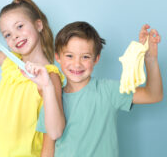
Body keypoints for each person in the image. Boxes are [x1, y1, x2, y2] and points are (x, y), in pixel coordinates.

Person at [36, 21, 163, 157]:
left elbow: (153, 95)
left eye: (85, 57)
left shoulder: (109, 90)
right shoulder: (52, 100)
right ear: (57, 57)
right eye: (69, 56)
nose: (77, 64)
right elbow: (48, 149)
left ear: (96, 59)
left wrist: (150, 59)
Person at [0, 0, 65, 157]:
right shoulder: (12, 63)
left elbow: (52, 131)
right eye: (7, 35)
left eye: (19, 26)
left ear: (38, 25)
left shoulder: (49, 76)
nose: (15, 36)